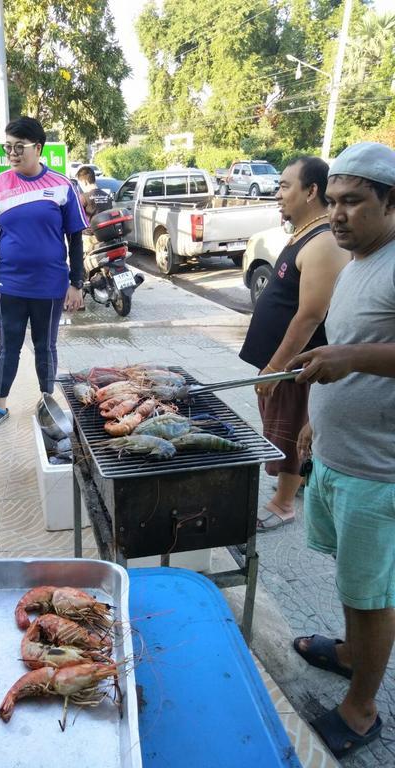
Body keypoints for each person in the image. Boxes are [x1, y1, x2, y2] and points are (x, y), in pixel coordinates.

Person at [287, 142, 395, 760]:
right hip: (338, 453)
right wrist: (314, 425)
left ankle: (361, 709)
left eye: (353, 202)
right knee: (353, 582)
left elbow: (353, 355)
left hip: (379, 473)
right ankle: (352, 654)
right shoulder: (358, 261)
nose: (337, 215)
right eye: (331, 202)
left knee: (372, 595)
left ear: (389, 200)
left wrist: (349, 359)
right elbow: (349, 345)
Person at [239, 156, 349, 531]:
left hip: (294, 364)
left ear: (312, 190)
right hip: (279, 361)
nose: (279, 192)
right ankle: (294, 481)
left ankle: (283, 503)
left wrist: (276, 366)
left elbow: (310, 314)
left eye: (286, 185)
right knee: (278, 425)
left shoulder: (323, 242)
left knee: (287, 428)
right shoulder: (303, 233)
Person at [0, 117, 88, 429]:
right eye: (7, 147)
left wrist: (76, 282)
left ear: (38, 148)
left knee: (45, 346)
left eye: (19, 147)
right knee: (7, 346)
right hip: (8, 284)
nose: (12, 153)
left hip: (50, 286)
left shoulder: (62, 186)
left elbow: (75, 237)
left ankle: (45, 401)